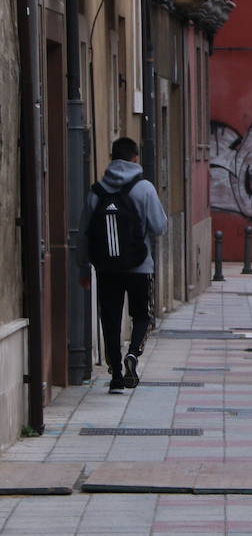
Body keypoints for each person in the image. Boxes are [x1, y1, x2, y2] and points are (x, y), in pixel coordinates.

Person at [81, 137, 168, 394]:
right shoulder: (144, 189)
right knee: (142, 316)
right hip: (140, 266)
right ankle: (133, 354)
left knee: (110, 319)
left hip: (107, 268)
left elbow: (84, 233)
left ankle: (116, 375)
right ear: (135, 158)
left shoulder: (96, 192)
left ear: (111, 157)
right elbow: (160, 227)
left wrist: (81, 267)